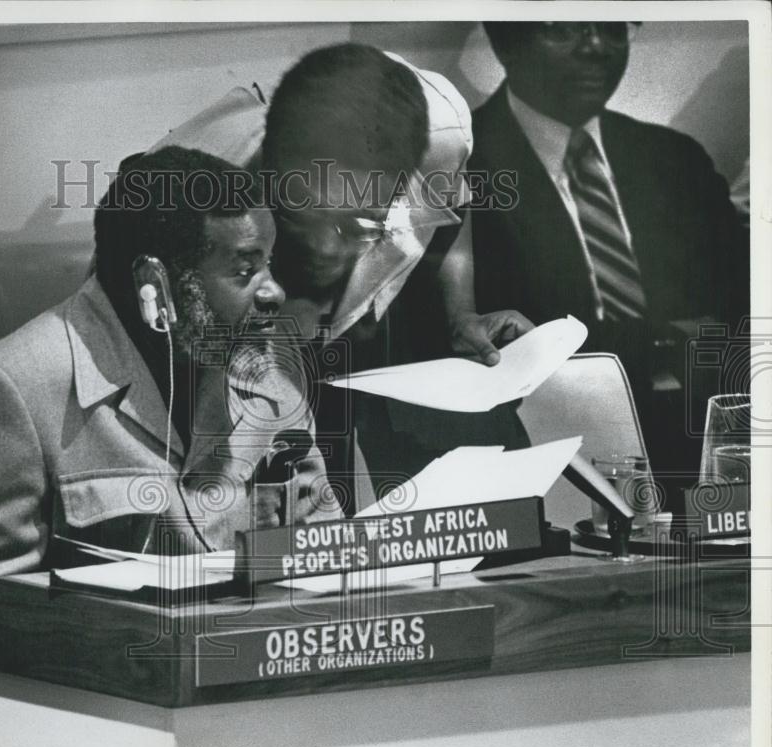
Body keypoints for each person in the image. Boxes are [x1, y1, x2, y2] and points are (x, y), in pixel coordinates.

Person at [0, 146, 345, 649]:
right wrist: (147, 647)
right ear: (155, 284)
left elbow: (326, 553)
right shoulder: (13, 385)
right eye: (244, 270)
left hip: (259, 677)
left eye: (269, 264)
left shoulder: (266, 369)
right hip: (107, 704)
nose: (273, 291)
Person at [152, 43, 534, 500]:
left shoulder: (439, 132)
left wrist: (461, 314)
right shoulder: (191, 195)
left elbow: (454, 202)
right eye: (305, 218)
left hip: (333, 363)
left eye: (357, 223)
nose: (329, 248)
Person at [466, 22, 748, 469]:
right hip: (544, 456)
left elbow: (742, 309)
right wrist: (666, 338)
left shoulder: (674, 156)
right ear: (505, 41)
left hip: (705, 446)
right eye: (565, 30)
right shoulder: (463, 168)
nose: (596, 46)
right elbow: (487, 339)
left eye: (614, 28)